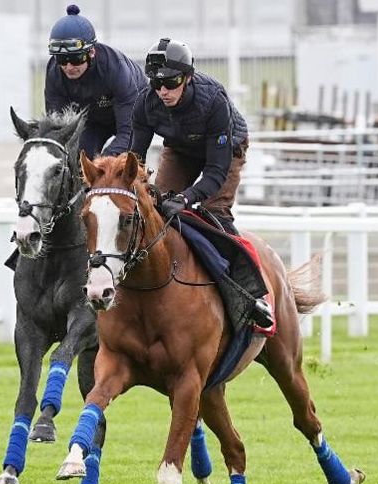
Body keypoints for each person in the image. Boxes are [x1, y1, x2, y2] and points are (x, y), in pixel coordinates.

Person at [129, 38, 272, 329]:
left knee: (213, 213)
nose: (163, 91)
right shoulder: (145, 102)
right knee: (156, 209)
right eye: (157, 84)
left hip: (225, 151)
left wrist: (186, 198)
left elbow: (216, 172)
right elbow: (135, 160)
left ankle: (248, 295)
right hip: (181, 148)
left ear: (188, 77)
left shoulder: (213, 101)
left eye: (171, 82)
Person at [45, 4, 146, 158]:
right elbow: (58, 133)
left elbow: (128, 132)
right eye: (62, 59)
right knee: (80, 159)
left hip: (135, 115)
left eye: (75, 58)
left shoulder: (115, 69)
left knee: (114, 168)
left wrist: (106, 160)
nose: (69, 66)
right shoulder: (54, 72)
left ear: (91, 52)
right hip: (94, 120)